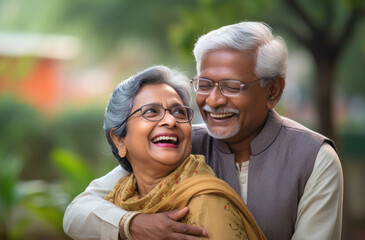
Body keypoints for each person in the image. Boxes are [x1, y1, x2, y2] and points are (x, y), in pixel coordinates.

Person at [63, 21, 343, 240]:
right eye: (205, 85)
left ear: (273, 91)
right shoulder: (181, 145)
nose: (214, 100)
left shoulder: (314, 159)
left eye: (232, 86)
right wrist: (132, 225)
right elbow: (78, 211)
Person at [101, 65, 266, 239]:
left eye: (179, 112)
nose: (171, 121)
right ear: (119, 139)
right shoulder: (118, 198)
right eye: (151, 111)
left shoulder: (206, 203)